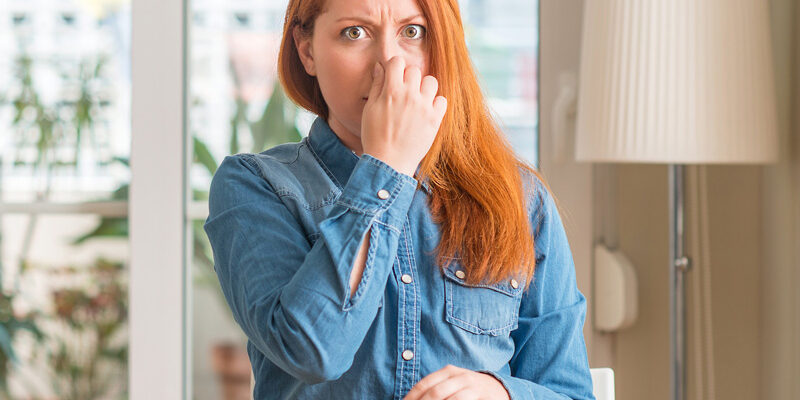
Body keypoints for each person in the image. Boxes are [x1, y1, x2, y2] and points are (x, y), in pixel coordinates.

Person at [203, 0, 596, 398]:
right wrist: (387, 165)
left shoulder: (522, 198)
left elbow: (570, 391)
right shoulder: (256, 185)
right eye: (354, 33)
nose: (388, 64)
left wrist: (501, 394)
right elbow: (312, 352)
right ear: (307, 51)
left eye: (413, 32)